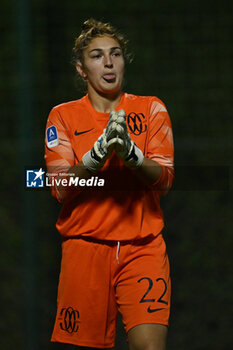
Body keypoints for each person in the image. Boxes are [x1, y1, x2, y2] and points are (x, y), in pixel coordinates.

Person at [44, 18, 174, 350]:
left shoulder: (151, 108)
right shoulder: (62, 116)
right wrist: (95, 157)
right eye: (97, 55)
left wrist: (131, 155)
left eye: (115, 54)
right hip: (85, 249)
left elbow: (165, 180)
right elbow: (58, 188)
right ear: (81, 69)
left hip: (142, 248)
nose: (108, 62)